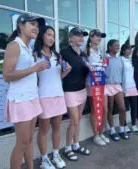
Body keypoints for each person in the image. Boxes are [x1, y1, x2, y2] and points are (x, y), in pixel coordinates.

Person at [3, 14, 46, 169]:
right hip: (20, 100)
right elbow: (6, 76)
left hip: (32, 97)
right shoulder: (14, 45)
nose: (36, 28)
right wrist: (34, 68)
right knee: (21, 143)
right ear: (21, 25)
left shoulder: (28, 48)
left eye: (37, 25)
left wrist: (37, 68)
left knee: (28, 140)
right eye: (32, 24)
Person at [34, 26, 70, 169]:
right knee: (43, 130)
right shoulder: (35, 54)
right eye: (48, 34)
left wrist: (63, 75)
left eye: (53, 36)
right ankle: (44, 159)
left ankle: (55, 154)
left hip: (58, 95)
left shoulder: (57, 55)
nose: (51, 38)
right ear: (42, 36)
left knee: (57, 128)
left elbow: (64, 71)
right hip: (44, 96)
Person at [60, 27, 90, 161]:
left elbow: (85, 71)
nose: (81, 38)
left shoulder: (83, 54)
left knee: (78, 120)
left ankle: (76, 144)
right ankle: (67, 148)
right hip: (69, 90)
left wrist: (93, 69)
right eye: (78, 35)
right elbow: (60, 71)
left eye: (82, 36)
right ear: (71, 37)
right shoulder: (64, 52)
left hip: (82, 90)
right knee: (74, 120)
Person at [84, 29, 110, 146]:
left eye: (101, 36)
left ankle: (101, 132)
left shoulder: (99, 51)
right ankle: (96, 135)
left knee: (104, 109)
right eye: (98, 36)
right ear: (91, 36)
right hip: (92, 84)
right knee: (95, 110)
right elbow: (84, 67)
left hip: (101, 83)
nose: (99, 38)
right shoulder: (86, 51)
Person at [104, 39, 129, 141]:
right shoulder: (105, 59)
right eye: (116, 45)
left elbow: (123, 75)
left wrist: (124, 89)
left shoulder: (120, 59)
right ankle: (112, 130)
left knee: (122, 108)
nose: (118, 47)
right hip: (108, 86)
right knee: (110, 109)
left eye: (118, 45)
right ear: (110, 47)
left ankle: (122, 129)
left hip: (118, 86)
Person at [120, 44, 138, 133]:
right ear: (123, 50)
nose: (130, 51)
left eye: (131, 49)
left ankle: (134, 124)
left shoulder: (131, 60)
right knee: (124, 108)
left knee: (134, 107)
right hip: (124, 87)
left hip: (132, 86)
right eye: (128, 49)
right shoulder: (120, 59)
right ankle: (124, 125)